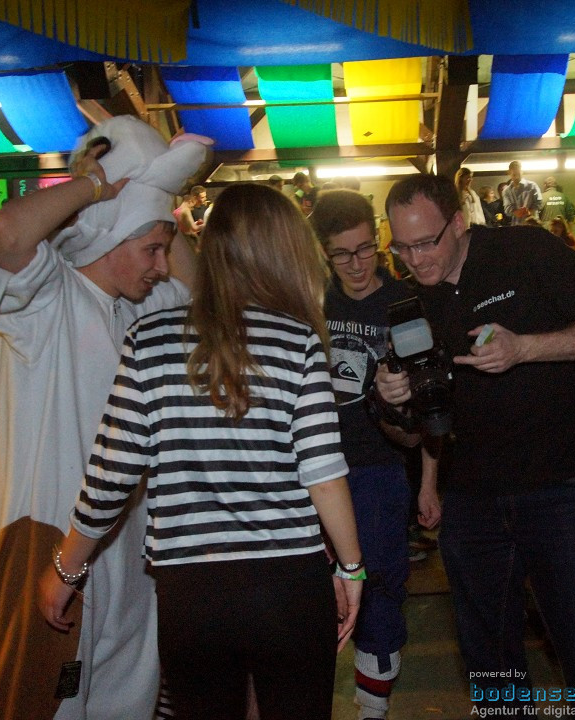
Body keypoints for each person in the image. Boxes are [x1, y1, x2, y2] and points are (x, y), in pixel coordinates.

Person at [0, 116, 210, 720]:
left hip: (126, 543)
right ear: (108, 239)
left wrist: (161, 204)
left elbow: (198, 291)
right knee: (36, 702)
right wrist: (98, 188)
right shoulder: (44, 294)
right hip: (45, 535)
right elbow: (5, 234)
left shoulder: (143, 305)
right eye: (151, 249)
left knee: (124, 694)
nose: (162, 264)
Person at [39, 183, 363, 720]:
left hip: (192, 594)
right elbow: (323, 474)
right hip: (288, 586)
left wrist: (65, 569)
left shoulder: (150, 339)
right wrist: (351, 569)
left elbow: (111, 473)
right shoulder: (297, 341)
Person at [374, 173, 575, 710]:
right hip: (470, 497)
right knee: (489, 664)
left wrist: (525, 348)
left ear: (460, 221)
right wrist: (391, 397)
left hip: (561, 483)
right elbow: (407, 432)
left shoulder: (525, 249)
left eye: (427, 243)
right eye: (402, 247)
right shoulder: (406, 303)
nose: (415, 260)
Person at [310, 189, 438, 720]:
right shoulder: (310, 298)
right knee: (311, 594)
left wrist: (429, 481)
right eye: (342, 254)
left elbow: (432, 401)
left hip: (379, 468)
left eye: (366, 249)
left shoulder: (405, 304)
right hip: (311, 470)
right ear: (323, 252)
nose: (357, 265)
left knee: (380, 584)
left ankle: (371, 708)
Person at [501, 161, 542, 225]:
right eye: (514, 175)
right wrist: (517, 212)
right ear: (509, 173)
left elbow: (539, 203)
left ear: (522, 172)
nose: (516, 177)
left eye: (518, 174)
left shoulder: (532, 186)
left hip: (532, 224)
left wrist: (529, 211)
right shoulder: (506, 191)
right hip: (517, 226)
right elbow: (507, 210)